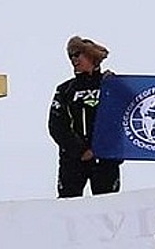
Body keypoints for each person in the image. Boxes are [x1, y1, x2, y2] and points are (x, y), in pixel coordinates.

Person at [48, 36, 121, 198]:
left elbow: (131, 111)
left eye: (77, 54)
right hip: (73, 161)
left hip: (105, 160)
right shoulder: (65, 89)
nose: (74, 59)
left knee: (108, 208)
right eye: (70, 56)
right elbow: (56, 125)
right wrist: (80, 150)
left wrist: (119, 84)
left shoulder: (111, 86)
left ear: (92, 57)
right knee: (68, 207)